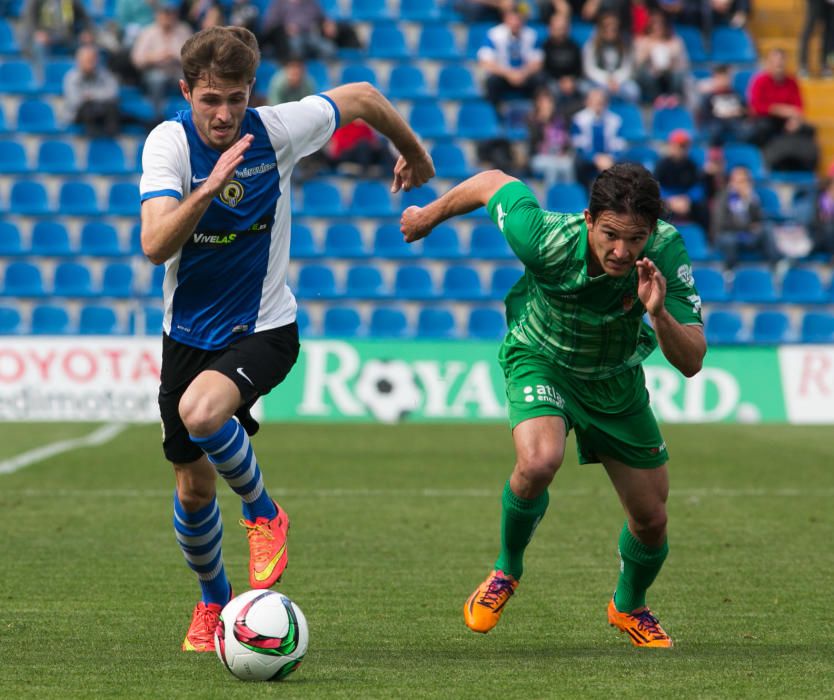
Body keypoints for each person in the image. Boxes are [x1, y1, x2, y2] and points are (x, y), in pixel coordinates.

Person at [138, 25, 434, 654]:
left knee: (200, 411)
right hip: (186, 336)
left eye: (237, 99)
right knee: (192, 491)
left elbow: (362, 97)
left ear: (253, 93)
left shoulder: (276, 130)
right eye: (211, 100)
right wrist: (209, 188)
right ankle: (213, 604)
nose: (224, 115)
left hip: (265, 328)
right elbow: (155, 244)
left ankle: (264, 511)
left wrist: (415, 150)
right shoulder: (167, 146)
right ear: (186, 92)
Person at [399, 162, 706, 648]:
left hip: (614, 381)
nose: (622, 251)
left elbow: (691, 360)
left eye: (636, 238)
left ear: (652, 231)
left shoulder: (666, 252)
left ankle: (628, 606)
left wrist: (659, 313)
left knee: (651, 519)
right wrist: (428, 217)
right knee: (540, 459)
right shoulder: (543, 237)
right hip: (541, 357)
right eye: (610, 234)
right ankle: (506, 570)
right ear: (588, 219)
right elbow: (491, 182)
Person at [130, 0, 194, 119]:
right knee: (157, 79)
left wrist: (175, 56)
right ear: (158, 14)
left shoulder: (184, 30)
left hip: (178, 71)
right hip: (155, 71)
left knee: (192, 79)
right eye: (164, 13)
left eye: (171, 13)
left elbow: (194, 58)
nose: (167, 16)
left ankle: (191, 114)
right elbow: (137, 60)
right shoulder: (148, 32)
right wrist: (156, 57)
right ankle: (157, 116)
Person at [477, 3, 544, 111]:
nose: (515, 23)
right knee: (492, 82)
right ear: (505, 19)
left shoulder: (532, 35)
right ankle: (496, 115)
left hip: (524, 75)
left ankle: (537, 114)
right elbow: (485, 62)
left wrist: (523, 73)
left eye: (518, 19)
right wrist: (509, 74)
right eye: (512, 19)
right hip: (503, 75)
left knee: (540, 80)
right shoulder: (493, 34)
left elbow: (538, 63)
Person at [711, 165, 778, 268]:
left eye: (745, 181)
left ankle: (774, 267)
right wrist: (747, 227)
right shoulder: (723, 198)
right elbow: (721, 224)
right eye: (738, 181)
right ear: (731, 182)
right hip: (729, 235)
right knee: (729, 240)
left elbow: (758, 220)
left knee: (767, 229)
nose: (741, 185)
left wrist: (749, 201)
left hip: (747, 236)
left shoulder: (752, 198)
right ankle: (730, 271)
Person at [63, 44, 122, 137]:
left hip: (103, 109)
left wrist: (91, 96)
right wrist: (96, 98)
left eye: (93, 60)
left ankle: (112, 140)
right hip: (79, 114)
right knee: (88, 108)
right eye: (88, 60)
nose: (91, 63)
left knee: (112, 107)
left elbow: (113, 94)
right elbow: (75, 102)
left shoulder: (104, 74)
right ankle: (92, 138)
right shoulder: (71, 77)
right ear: (79, 61)